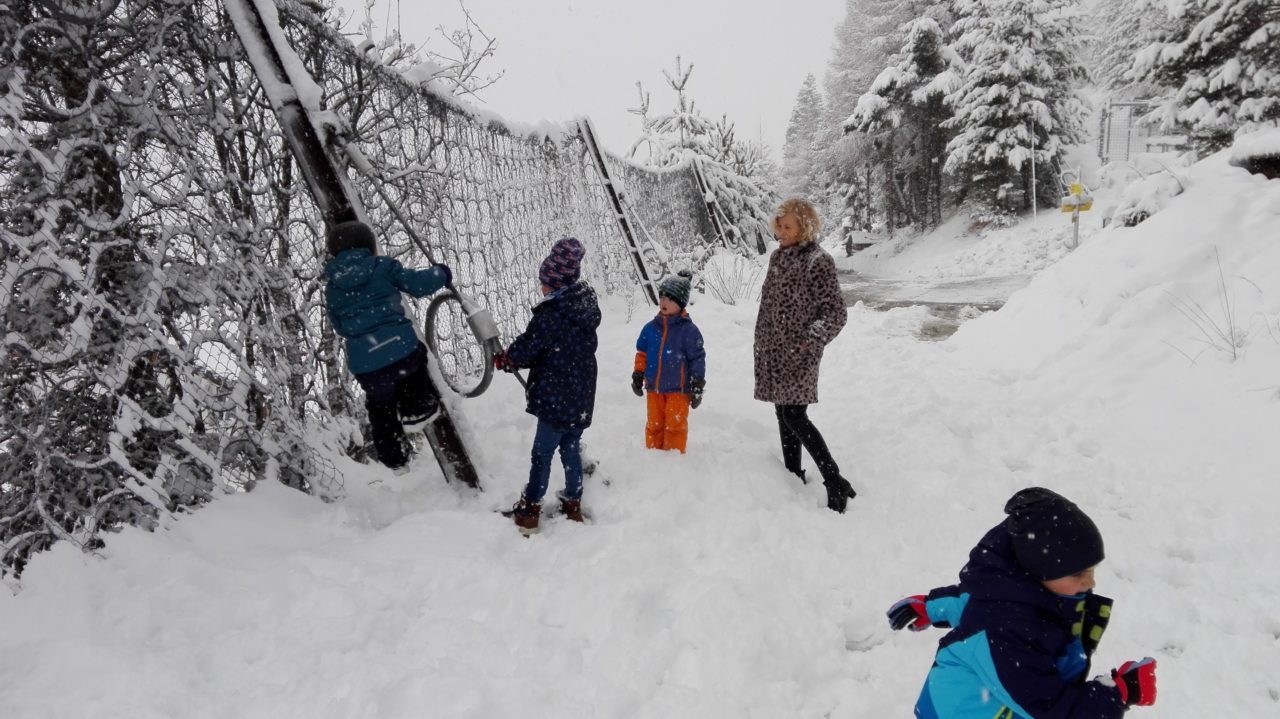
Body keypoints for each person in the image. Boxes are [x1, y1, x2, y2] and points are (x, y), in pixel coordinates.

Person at [886, 487, 1158, 719]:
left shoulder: (1015, 593)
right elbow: (1050, 708)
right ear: (1040, 570)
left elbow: (974, 602)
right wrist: (1119, 693)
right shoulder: (1006, 634)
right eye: (1078, 574)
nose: (1090, 583)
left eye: (1091, 570)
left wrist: (930, 607)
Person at [323, 219, 452, 473]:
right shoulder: (382, 267)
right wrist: (442, 273)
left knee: (379, 404)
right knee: (416, 363)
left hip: (366, 364)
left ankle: (394, 456)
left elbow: (338, 325)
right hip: (400, 349)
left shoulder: (332, 287)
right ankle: (418, 407)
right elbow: (417, 284)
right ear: (369, 247)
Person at [753, 198, 857, 513]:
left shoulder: (817, 260)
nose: (780, 232)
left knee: (794, 415)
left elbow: (836, 313)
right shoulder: (777, 257)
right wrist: (763, 341)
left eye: (787, 227)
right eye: (778, 226)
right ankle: (792, 472)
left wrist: (809, 341)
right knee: (782, 411)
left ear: (804, 227)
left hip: (799, 352)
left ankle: (833, 479)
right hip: (774, 349)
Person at [494, 237, 601, 534]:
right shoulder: (583, 305)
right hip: (580, 395)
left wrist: (508, 359)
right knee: (570, 448)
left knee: (541, 453)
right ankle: (573, 504)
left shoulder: (551, 315)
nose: (541, 287)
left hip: (556, 398)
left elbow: (529, 347)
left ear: (554, 283)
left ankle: (530, 510)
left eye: (544, 282)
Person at [631, 270, 706, 453]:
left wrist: (697, 385)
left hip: (679, 391)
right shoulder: (650, 329)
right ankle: (653, 455)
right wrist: (638, 374)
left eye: (670, 299)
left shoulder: (689, 331)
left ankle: (673, 459)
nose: (664, 302)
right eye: (662, 297)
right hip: (654, 389)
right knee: (654, 424)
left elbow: (697, 358)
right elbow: (642, 353)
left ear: (680, 304)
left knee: (675, 426)